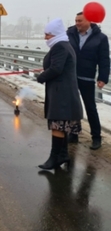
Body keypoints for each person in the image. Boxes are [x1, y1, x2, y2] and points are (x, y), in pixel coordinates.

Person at [36, 18, 83, 170]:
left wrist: (41, 77)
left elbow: (56, 69)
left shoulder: (60, 47)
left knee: (57, 125)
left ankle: (54, 157)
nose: (45, 38)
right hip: (64, 93)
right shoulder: (65, 45)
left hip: (61, 94)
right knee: (61, 126)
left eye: (47, 35)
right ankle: (63, 155)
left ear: (55, 34)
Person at [67, 12, 110, 150]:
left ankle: (96, 138)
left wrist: (103, 77)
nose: (77, 23)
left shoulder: (100, 38)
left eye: (80, 20)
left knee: (90, 107)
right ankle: (73, 134)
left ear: (89, 21)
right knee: (73, 106)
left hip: (87, 76)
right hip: (70, 76)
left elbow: (104, 59)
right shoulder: (70, 34)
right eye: (76, 20)